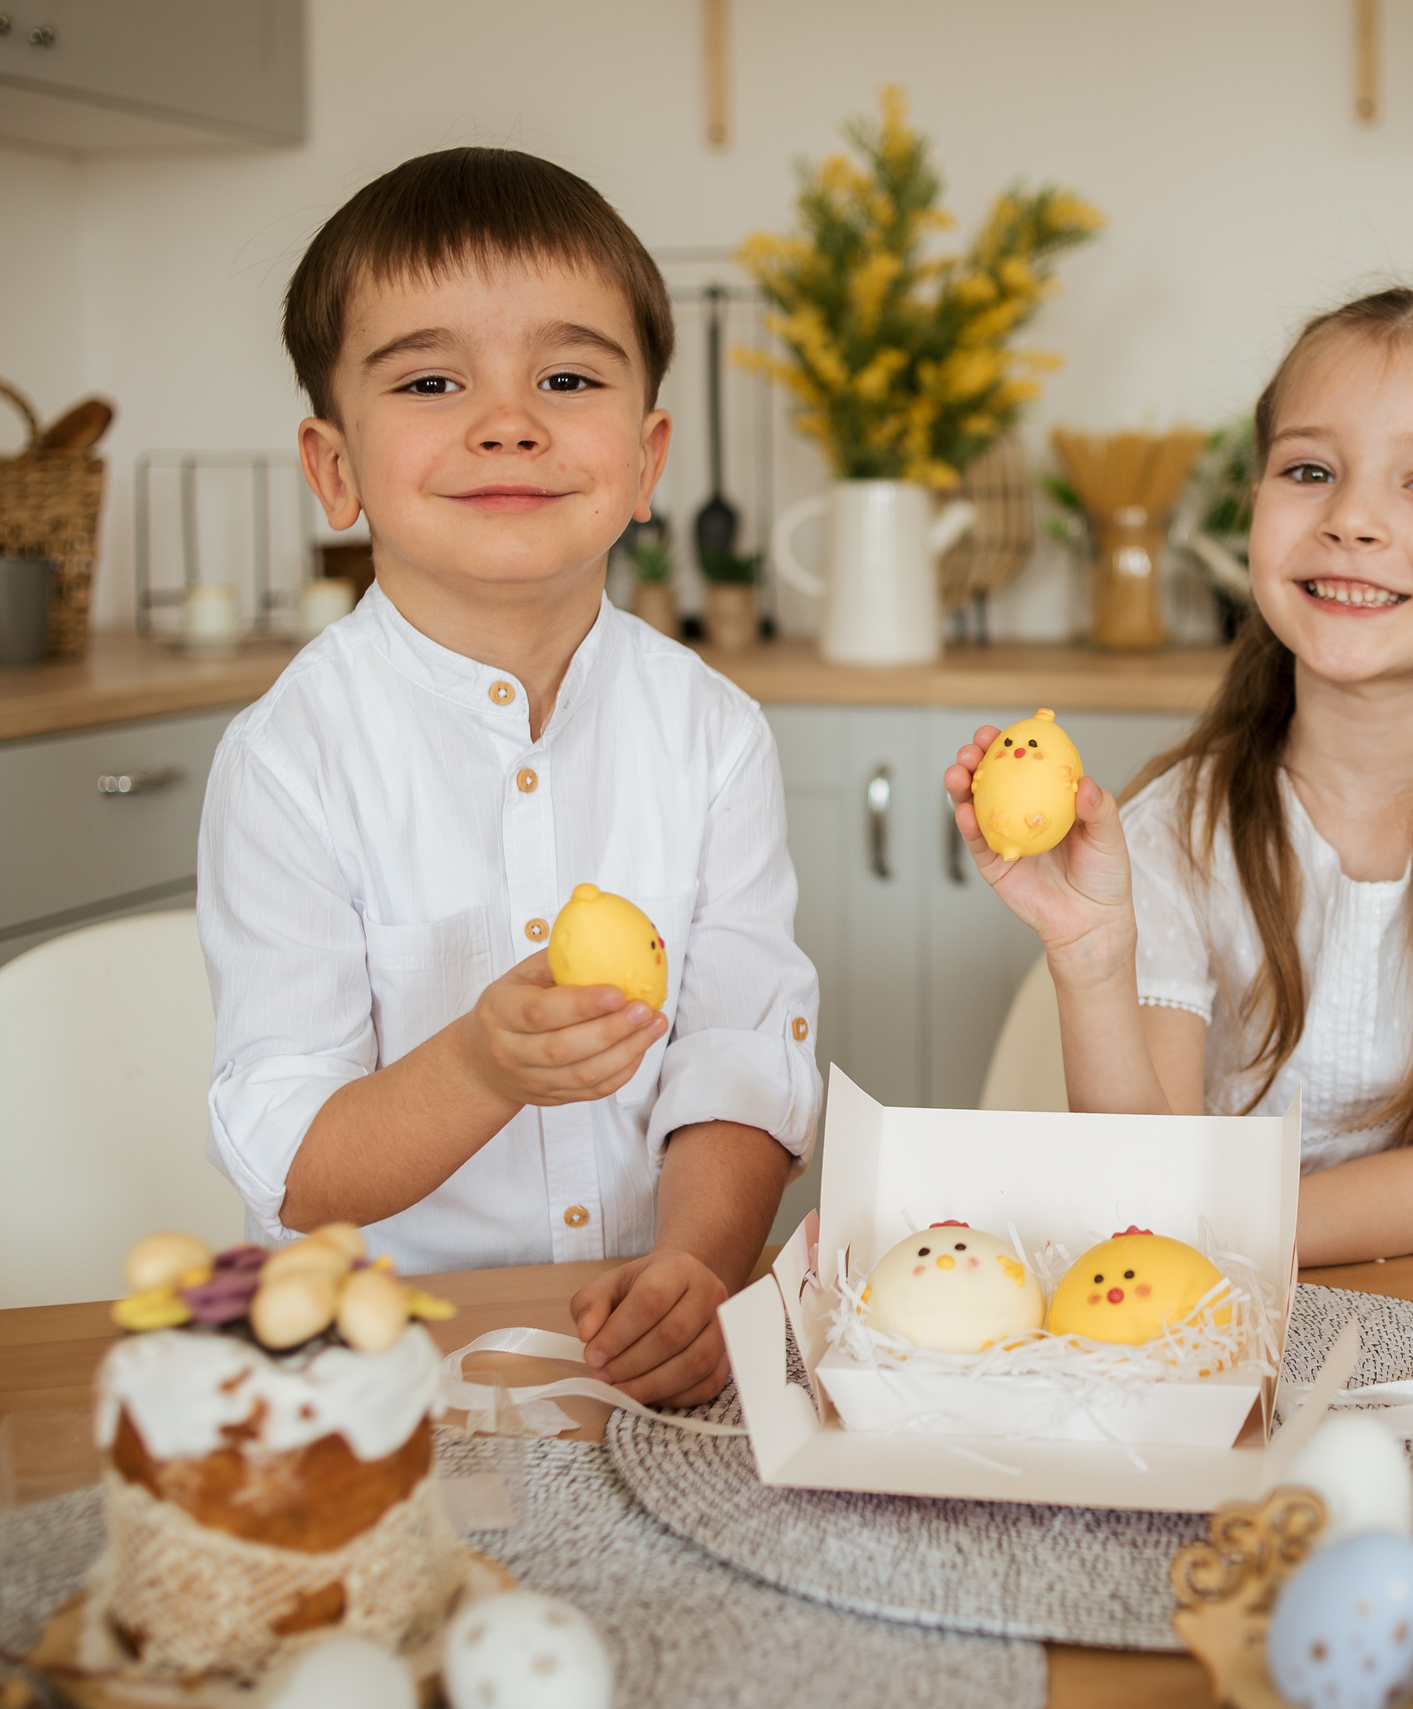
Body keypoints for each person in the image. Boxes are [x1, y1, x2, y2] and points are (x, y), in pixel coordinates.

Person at [199, 148, 820, 1405]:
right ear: (334, 468)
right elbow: (295, 1160)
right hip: (389, 1374)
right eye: (431, 380)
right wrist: (482, 1066)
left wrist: (698, 1267)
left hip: (649, 1357)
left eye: (567, 377)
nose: (508, 421)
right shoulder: (289, 760)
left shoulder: (713, 732)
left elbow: (738, 1052)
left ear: (645, 459)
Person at [946, 288, 1413, 1264]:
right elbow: (1142, 1175)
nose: (1351, 517)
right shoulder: (1176, 827)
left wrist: (1196, 1229)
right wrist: (1089, 954)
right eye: (1309, 470)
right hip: (1254, 1256)